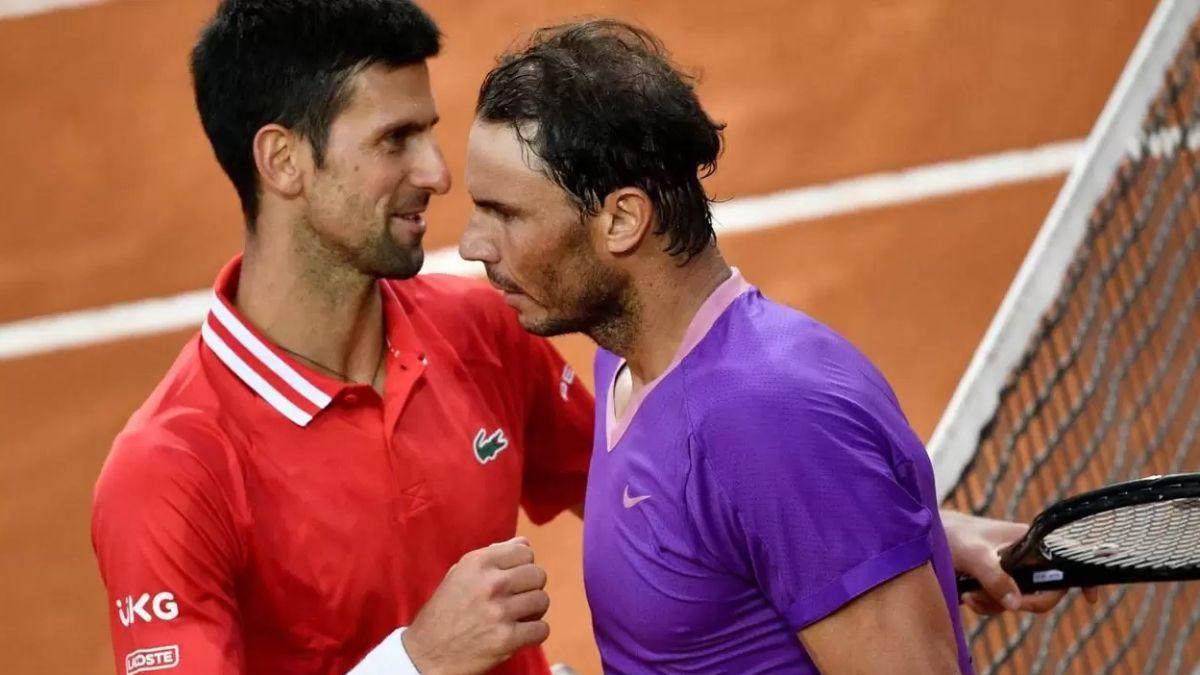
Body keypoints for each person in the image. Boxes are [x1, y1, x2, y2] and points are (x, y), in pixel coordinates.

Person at [459, 19, 1089, 673]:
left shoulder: (772, 422)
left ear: (621, 220)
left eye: (503, 212)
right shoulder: (625, 359)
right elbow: (724, 532)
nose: (474, 243)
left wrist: (850, 526)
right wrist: (889, 536)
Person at [90, 2, 594, 674]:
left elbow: (634, 493)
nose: (437, 174)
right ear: (284, 160)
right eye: (395, 139)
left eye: (428, 134)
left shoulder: (483, 331)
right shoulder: (169, 474)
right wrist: (419, 662)